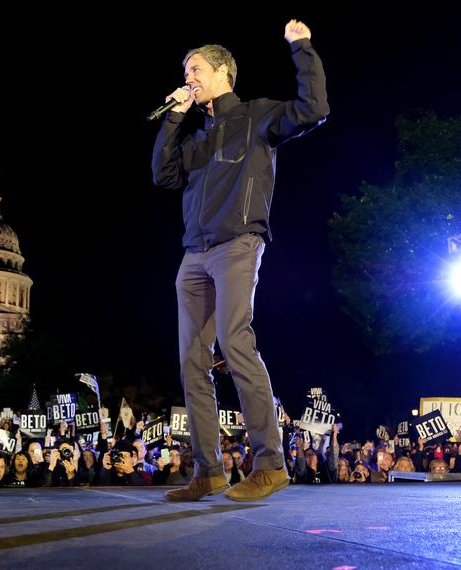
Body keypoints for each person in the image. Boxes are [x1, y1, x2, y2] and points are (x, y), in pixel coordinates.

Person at [151, 18, 328, 502]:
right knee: (192, 361)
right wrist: (173, 117)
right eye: (185, 69)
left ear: (225, 75)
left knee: (234, 341)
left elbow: (314, 108)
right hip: (194, 254)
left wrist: (301, 48)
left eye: (196, 68)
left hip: (237, 244)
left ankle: (270, 464)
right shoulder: (198, 137)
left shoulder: (256, 116)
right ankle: (208, 472)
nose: (188, 75)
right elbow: (164, 176)